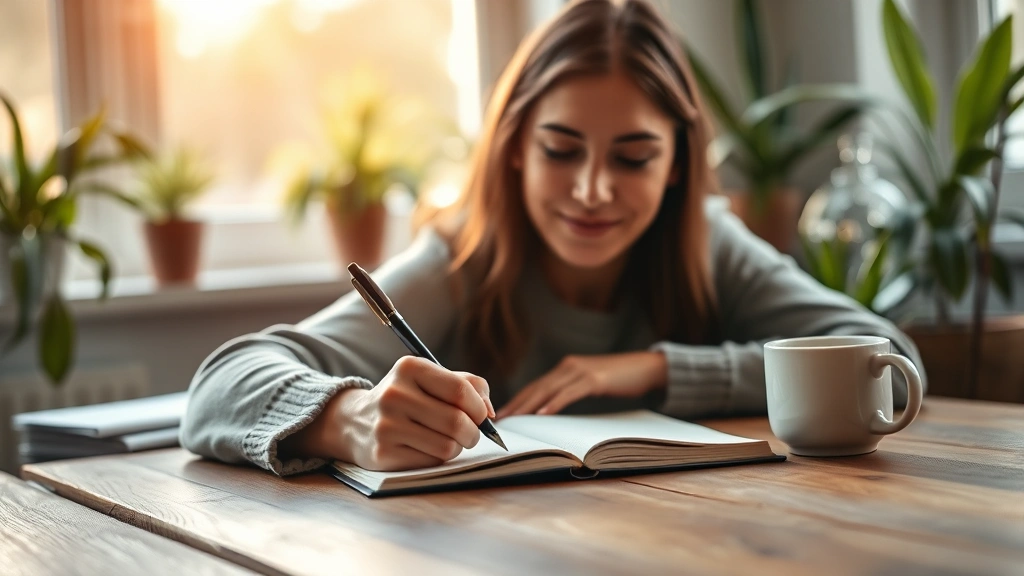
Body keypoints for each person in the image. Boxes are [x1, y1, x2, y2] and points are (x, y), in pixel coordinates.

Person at [180, 0, 925, 476]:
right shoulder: (463, 259)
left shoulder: (707, 241)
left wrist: (653, 370)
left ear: (675, 165)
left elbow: (886, 366)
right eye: (561, 150)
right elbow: (219, 385)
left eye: (633, 157)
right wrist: (347, 419)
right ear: (514, 149)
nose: (593, 190)